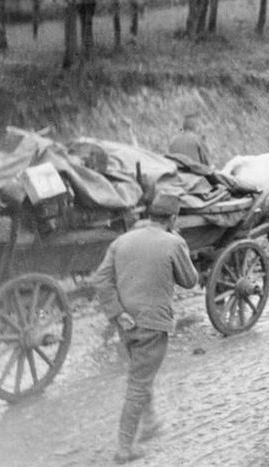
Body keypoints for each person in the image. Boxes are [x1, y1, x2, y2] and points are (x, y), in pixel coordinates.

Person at [92, 192, 198, 464]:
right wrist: (181, 249)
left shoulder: (121, 241)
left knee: (140, 371)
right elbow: (189, 281)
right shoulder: (174, 242)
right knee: (138, 384)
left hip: (125, 323)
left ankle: (150, 423)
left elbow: (101, 281)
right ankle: (124, 448)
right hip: (153, 323)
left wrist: (117, 313)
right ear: (172, 218)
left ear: (150, 215)